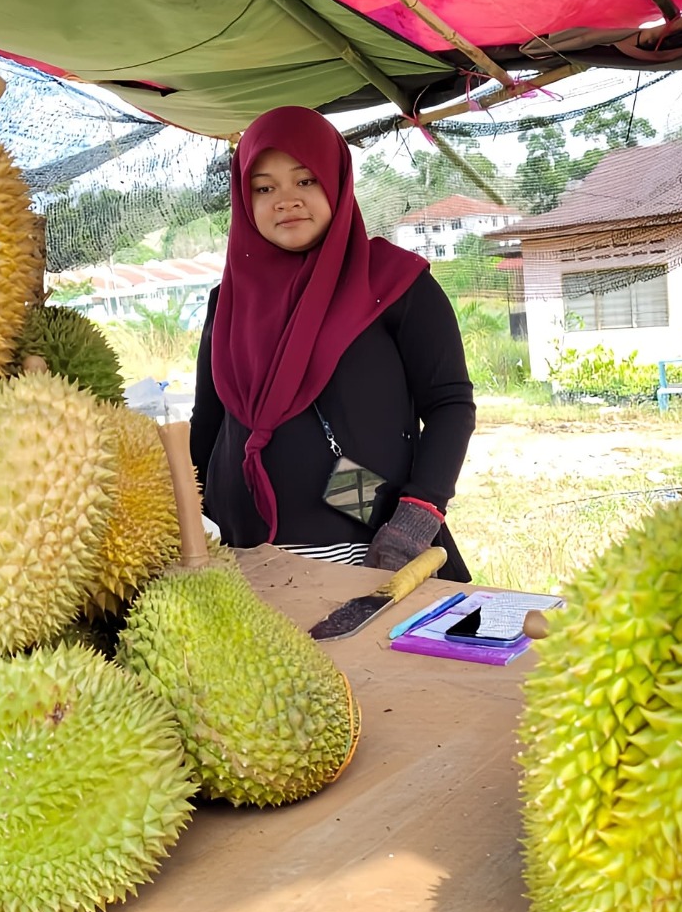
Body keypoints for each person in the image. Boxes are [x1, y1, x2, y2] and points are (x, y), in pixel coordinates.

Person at [190, 106, 476, 581]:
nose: (285, 200)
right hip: (241, 547)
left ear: (336, 181)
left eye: (305, 181)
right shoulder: (229, 300)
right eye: (264, 187)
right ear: (244, 199)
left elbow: (450, 405)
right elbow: (210, 420)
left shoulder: (393, 283)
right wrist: (180, 514)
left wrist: (414, 520)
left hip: (365, 537)